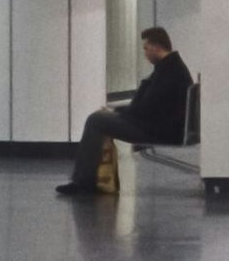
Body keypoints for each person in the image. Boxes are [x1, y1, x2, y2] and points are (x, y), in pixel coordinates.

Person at [57, 27, 195, 197]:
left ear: (156, 47)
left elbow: (144, 108)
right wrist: (117, 111)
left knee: (95, 120)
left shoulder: (167, 72)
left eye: (146, 48)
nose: (145, 53)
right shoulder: (172, 68)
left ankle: (84, 181)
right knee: (101, 119)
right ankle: (88, 180)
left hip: (157, 131)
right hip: (161, 126)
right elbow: (148, 106)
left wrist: (116, 111)